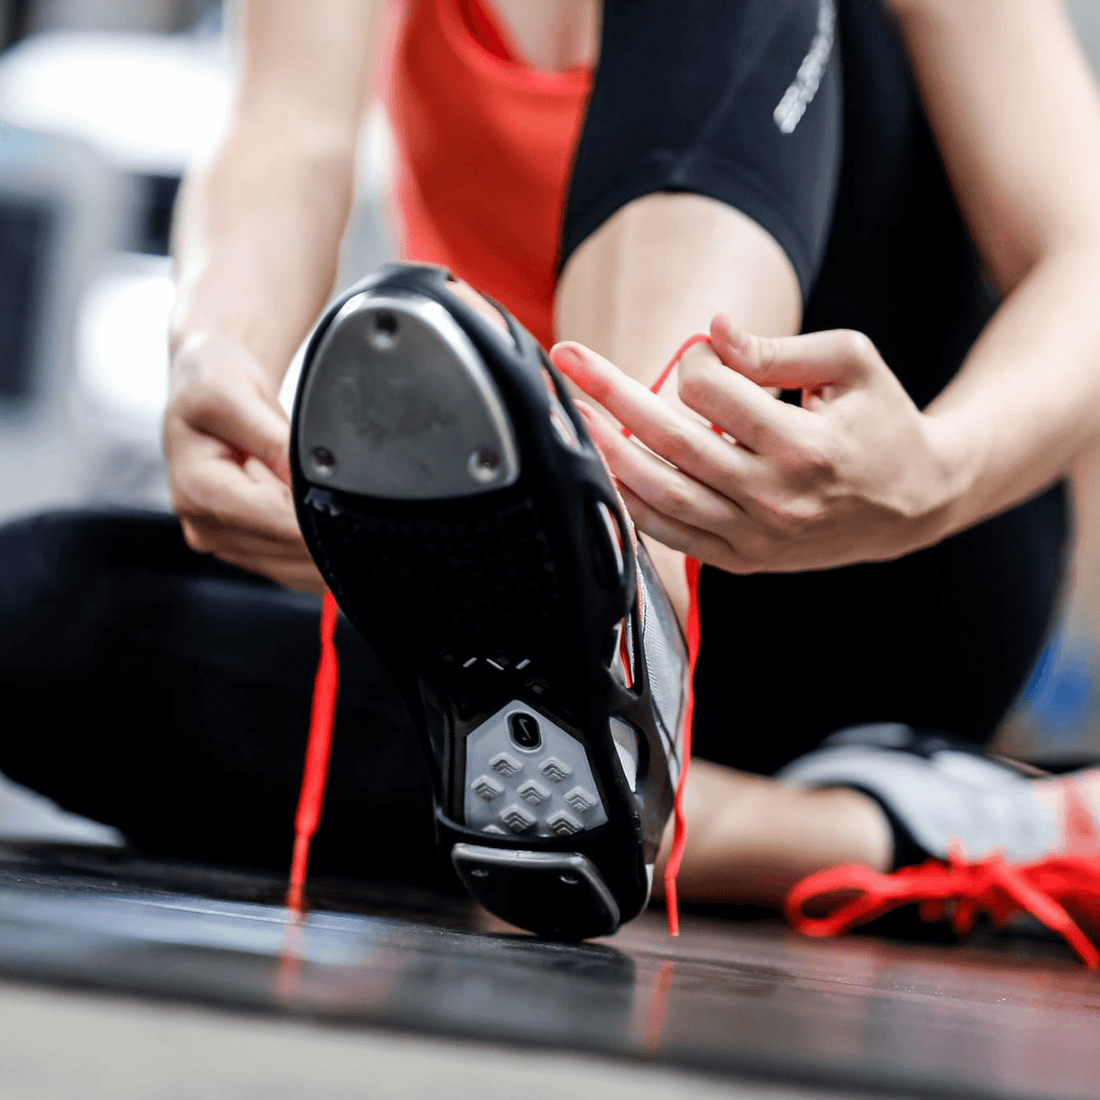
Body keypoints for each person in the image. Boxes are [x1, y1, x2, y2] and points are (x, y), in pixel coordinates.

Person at [4, 0, 1100, 931]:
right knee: (33, 605)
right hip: (529, 650)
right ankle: (819, 821)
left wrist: (930, 475)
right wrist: (222, 363)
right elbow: (284, 132)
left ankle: (628, 618)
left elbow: (1084, 252)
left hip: (870, 560)